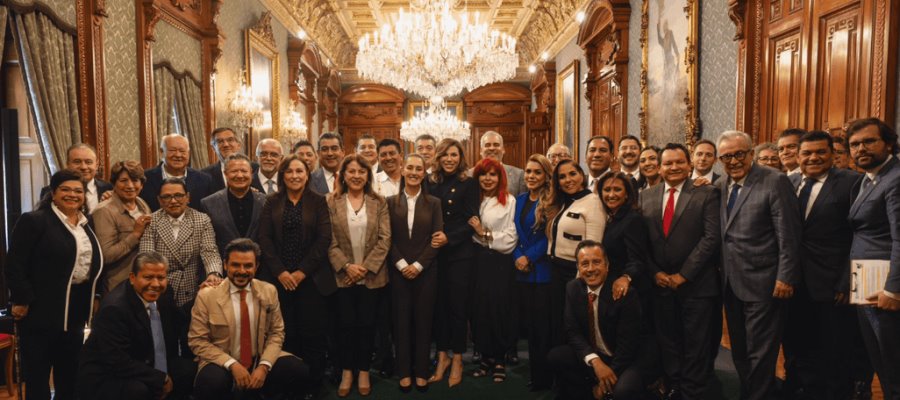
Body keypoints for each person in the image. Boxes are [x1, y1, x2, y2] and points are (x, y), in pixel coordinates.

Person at [716, 130, 801, 400]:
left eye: (739, 154)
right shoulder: (719, 186)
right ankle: (749, 392)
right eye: (726, 156)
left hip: (765, 283)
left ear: (751, 153)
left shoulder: (774, 181)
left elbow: (788, 235)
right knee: (740, 350)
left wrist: (785, 277)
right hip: (730, 282)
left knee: (761, 351)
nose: (734, 160)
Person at [7, 169, 104, 400]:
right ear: (53, 193)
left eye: (78, 191)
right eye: (65, 189)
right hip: (40, 310)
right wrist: (21, 299)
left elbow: (92, 263)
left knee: (69, 372)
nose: (72, 195)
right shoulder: (34, 220)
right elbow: (15, 263)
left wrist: (96, 296)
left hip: (75, 310)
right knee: (38, 375)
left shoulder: (85, 223)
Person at [781, 131, 862, 400]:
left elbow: (859, 236)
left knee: (836, 350)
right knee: (796, 343)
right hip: (793, 281)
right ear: (797, 156)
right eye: (806, 153)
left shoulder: (852, 183)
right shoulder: (787, 182)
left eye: (820, 152)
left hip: (832, 283)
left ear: (833, 154)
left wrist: (846, 280)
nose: (813, 157)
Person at [641, 144, 722, 400]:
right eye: (668, 163)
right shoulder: (646, 196)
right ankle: (675, 385)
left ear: (689, 165)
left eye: (679, 162)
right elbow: (641, 242)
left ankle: (693, 391)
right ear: (659, 167)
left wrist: (684, 274)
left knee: (696, 344)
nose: (673, 167)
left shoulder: (706, 193)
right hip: (660, 284)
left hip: (697, 284)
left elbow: (711, 238)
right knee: (668, 340)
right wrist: (655, 273)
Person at [189, 239, 310, 399]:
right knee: (211, 382)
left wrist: (264, 366)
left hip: (259, 357)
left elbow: (276, 333)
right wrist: (232, 364)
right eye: (235, 265)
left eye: (248, 266)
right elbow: (197, 341)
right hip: (221, 361)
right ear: (225, 265)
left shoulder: (269, 291)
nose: (242, 271)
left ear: (257, 266)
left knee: (298, 370)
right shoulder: (207, 296)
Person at [257, 155, 333, 397]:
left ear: (307, 174)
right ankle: (289, 384)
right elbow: (264, 239)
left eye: (299, 171)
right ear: (283, 175)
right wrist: (280, 271)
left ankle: (314, 385)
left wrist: (301, 272)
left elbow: (324, 240)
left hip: (310, 279)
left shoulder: (319, 201)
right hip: (279, 280)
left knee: (313, 334)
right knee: (284, 333)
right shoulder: (272, 201)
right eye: (289, 172)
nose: (294, 176)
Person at [77, 252, 196, 400]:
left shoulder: (164, 293)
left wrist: (202, 297)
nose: (155, 284)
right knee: (138, 390)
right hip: (109, 374)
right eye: (148, 277)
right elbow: (117, 361)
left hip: (144, 361)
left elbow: (180, 319)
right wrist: (161, 378)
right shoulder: (114, 309)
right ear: (133, 278)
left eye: (161, 278)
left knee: (187, 370)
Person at [547, 241, 648, 400]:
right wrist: (596, 362)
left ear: (607, 266)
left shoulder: (625, 294)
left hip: (625, 359)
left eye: (597, 262)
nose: (591, 269)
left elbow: (628, 345)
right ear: (578, 268)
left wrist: (605, 380)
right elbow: (572, 332)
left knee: (623, 391)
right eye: (585, 264)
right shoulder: (572, 288)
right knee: (557, 356)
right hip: (598, 355)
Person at [325, 154, 391, 397]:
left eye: (361, 172)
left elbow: (385, 239)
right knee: (344, 326)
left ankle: (363, 370)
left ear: (368, 175)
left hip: (372, 277)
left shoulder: (379, 201)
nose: (356, 176)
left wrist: (364, 267)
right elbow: (328, 240)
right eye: (351, 171)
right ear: (343, 174)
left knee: (367, 326)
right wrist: (347, 267)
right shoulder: (330, 201)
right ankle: (346, 371)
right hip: (342, 277)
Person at [846, 118, 900, 398]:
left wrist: (894, 289)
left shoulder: (896, 179)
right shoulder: (868, 180)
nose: (861, 149)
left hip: (885, 287)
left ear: (888, 143)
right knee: (879, 360)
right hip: (865, 279)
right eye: (854, 144)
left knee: (893, 364)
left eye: (869, 141)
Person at [387, 154, 444, 393]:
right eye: (409, 167)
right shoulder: (389, 202)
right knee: (401, 324)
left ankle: (421, 371)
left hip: (426, 272)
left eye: (418, 168)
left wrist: (418, 265)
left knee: (423, 322)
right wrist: (402, 265)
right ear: (402, 170)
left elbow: (437, 239)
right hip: (397, 272)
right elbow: (385, 238)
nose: (413, 172)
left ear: (424, 173)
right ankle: (404, 372)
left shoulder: (434, 203)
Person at [425, 138, 476, 387]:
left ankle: (457, 358)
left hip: (459, 254)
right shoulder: (430, 182)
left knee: (457, 308)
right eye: (445, 154)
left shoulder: (468, 183)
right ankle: (442, 356)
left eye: (454, 155)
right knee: (439, 307)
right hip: (435, 255)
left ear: (460, 157)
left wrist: (450, 237)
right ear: (438, 157)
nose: (449, 159)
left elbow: (471, 220)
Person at [469, 158, 518, 383]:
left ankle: (499, 359)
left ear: (500, 178)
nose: (488, 179)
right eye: (483, 174)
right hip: (476, 261)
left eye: (492, 174)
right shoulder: (472, 200)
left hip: (499, 261)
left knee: (499, 309)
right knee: (479, 310)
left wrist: (482, 233)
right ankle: (485, 357)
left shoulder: (508, 201)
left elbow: (510, 238)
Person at [548, 159, 606, 347]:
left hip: (575, 273)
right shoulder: (564, 202)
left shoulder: (593, 202)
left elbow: (593, 247)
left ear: (582, 175)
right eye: (562, 177)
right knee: (556, 326)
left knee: (572, 328)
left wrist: (580, 279)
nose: (568, 180)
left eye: (572, 174)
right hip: (555, 271)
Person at [513, 154, 557, 391]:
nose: (531, 176)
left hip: (542, 273)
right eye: (528, 171)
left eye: (537, 172)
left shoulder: (552, 201)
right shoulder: (519, 199)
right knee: (530, 328)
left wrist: (528, 256)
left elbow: (548, 236)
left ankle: (544, 377)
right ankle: (535, 373)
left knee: (542, 329)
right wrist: (517, 256)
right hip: (521, 272)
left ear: (546, 176)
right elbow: (515, 232)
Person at [93, 160, 153, 292]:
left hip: (144, 283)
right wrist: (135, 235)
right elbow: (105, 255)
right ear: (114, 183)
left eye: (135, 180)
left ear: (142, 184)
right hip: (118, 286)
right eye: (123, 180)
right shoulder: (104, 211)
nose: (130, 185)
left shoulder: (142, 204)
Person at [200, 154, 268, 258]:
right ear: (225, 174)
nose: (240, 175)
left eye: (244, 171)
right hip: (223, 267)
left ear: (251, 173)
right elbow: (208, 244)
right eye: (234, 171)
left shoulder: (266, 201)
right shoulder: (208, 204)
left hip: (260, 267)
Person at [142, 134, 212, 211]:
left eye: (182, 151)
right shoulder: (145, 178)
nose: (178, 155)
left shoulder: (204, 180)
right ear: (161, 152)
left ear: (188, 154)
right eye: (172, 150)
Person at [39, 143, 112, 213]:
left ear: (96, 165)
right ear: (67, 164)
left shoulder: (109, 189)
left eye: (88, 162)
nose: (83, 167)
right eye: (77, 162)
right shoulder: (50, 191)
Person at [201, 127, 258, 193]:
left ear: (239, 145)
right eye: (220, 141)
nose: (226, 144)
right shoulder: (205, 175)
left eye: (230, 140)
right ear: (213, 148)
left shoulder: (256, 169)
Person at [478, 131, 527, 196]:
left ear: (503, 149)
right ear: (481, 151)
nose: (492, 148)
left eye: (496, 145)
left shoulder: (518, 175)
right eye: (487, 145)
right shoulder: (470, 174)